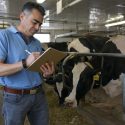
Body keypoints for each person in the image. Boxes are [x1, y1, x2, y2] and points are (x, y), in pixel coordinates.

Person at [0, 2, 55, 125]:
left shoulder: (36, 42)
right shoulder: (4, 36)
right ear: (22, 17)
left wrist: (47, 74)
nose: (37, 28)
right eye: (34, 22)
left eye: (40, 24)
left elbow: (38, 70)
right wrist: (24, 63)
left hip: (39, 95)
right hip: (15, 97)